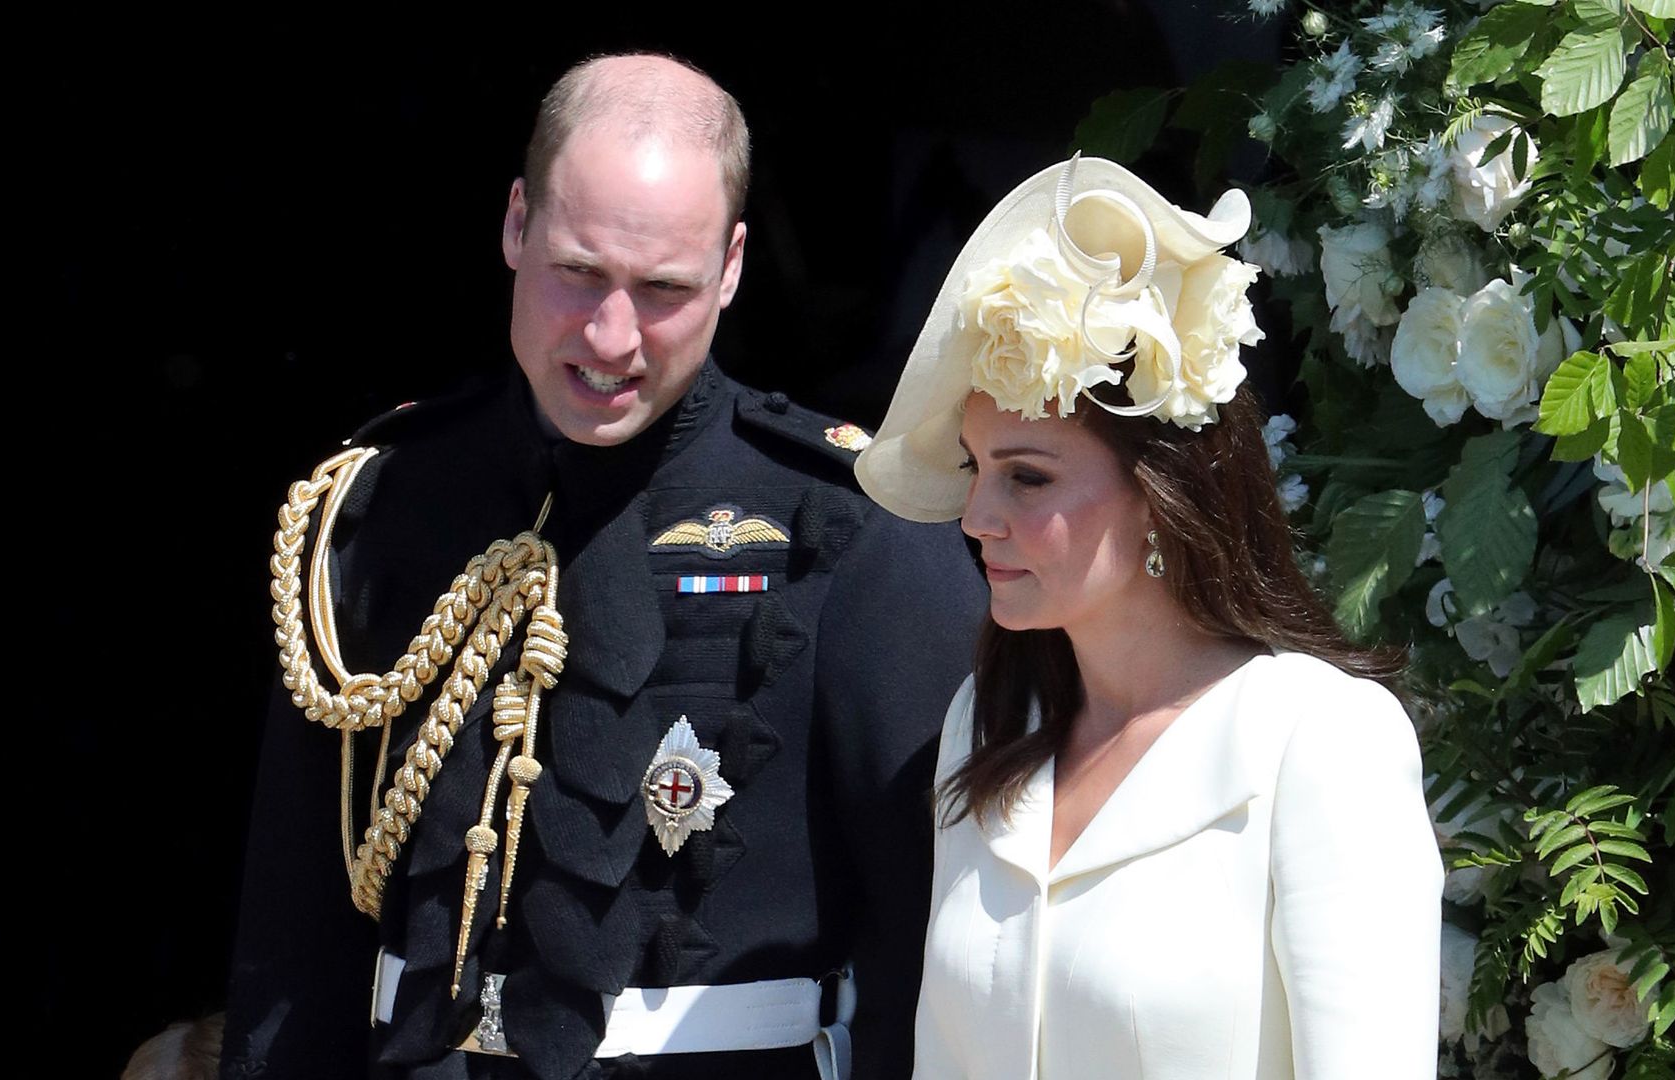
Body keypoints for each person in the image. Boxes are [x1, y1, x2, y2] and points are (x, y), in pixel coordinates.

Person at [222, 54, 984, 1080]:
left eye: (663, 290)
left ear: (731, 267)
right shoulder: (376, 508)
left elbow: (937, 943)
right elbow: (294, 946)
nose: (611, 337)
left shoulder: (847, 527)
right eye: (578, 274)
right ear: (515, 226)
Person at [853, 156, 1444, 1077]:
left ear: (1163, 491)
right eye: (977, 469)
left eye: (1029, 475)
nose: (975, 517)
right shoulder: (990, 716)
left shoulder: (1321, 737)